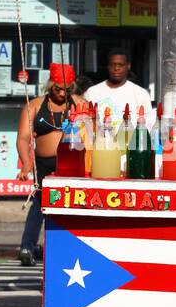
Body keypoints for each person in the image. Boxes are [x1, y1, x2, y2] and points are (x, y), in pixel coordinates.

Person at [16, 62, 80, 266]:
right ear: (50, 85)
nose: (62, 93)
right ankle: (27, 246)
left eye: (66, 89)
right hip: (43, 163)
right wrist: (26, 164)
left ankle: (68, 246)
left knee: (70, 204)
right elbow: (23, 138)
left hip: (71, 161)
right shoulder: (34, 105)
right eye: (57, 88)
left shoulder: (79, 103)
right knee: (40, 203)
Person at [84, 48, 155, 131]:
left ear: (128, 66)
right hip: (99, 143)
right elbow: (85, 123)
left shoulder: (140, 93)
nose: (116, 68)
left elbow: (148, 126)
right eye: (112, 65)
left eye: (120, 65)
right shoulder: (92, 92)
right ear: (108, 66)